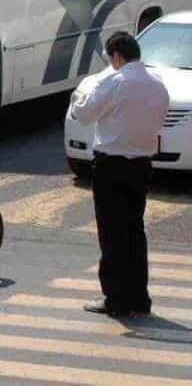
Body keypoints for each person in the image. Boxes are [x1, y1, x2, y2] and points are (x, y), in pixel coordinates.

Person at [71, 32, 169, 318]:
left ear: (115, 56)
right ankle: (139, 298)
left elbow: (85, 114)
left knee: (112, 233)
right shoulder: (157, 83)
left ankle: (116, 298)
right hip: (141, 165)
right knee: (134, 231)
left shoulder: (114, 82)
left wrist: (79, 95)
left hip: (112, 164)